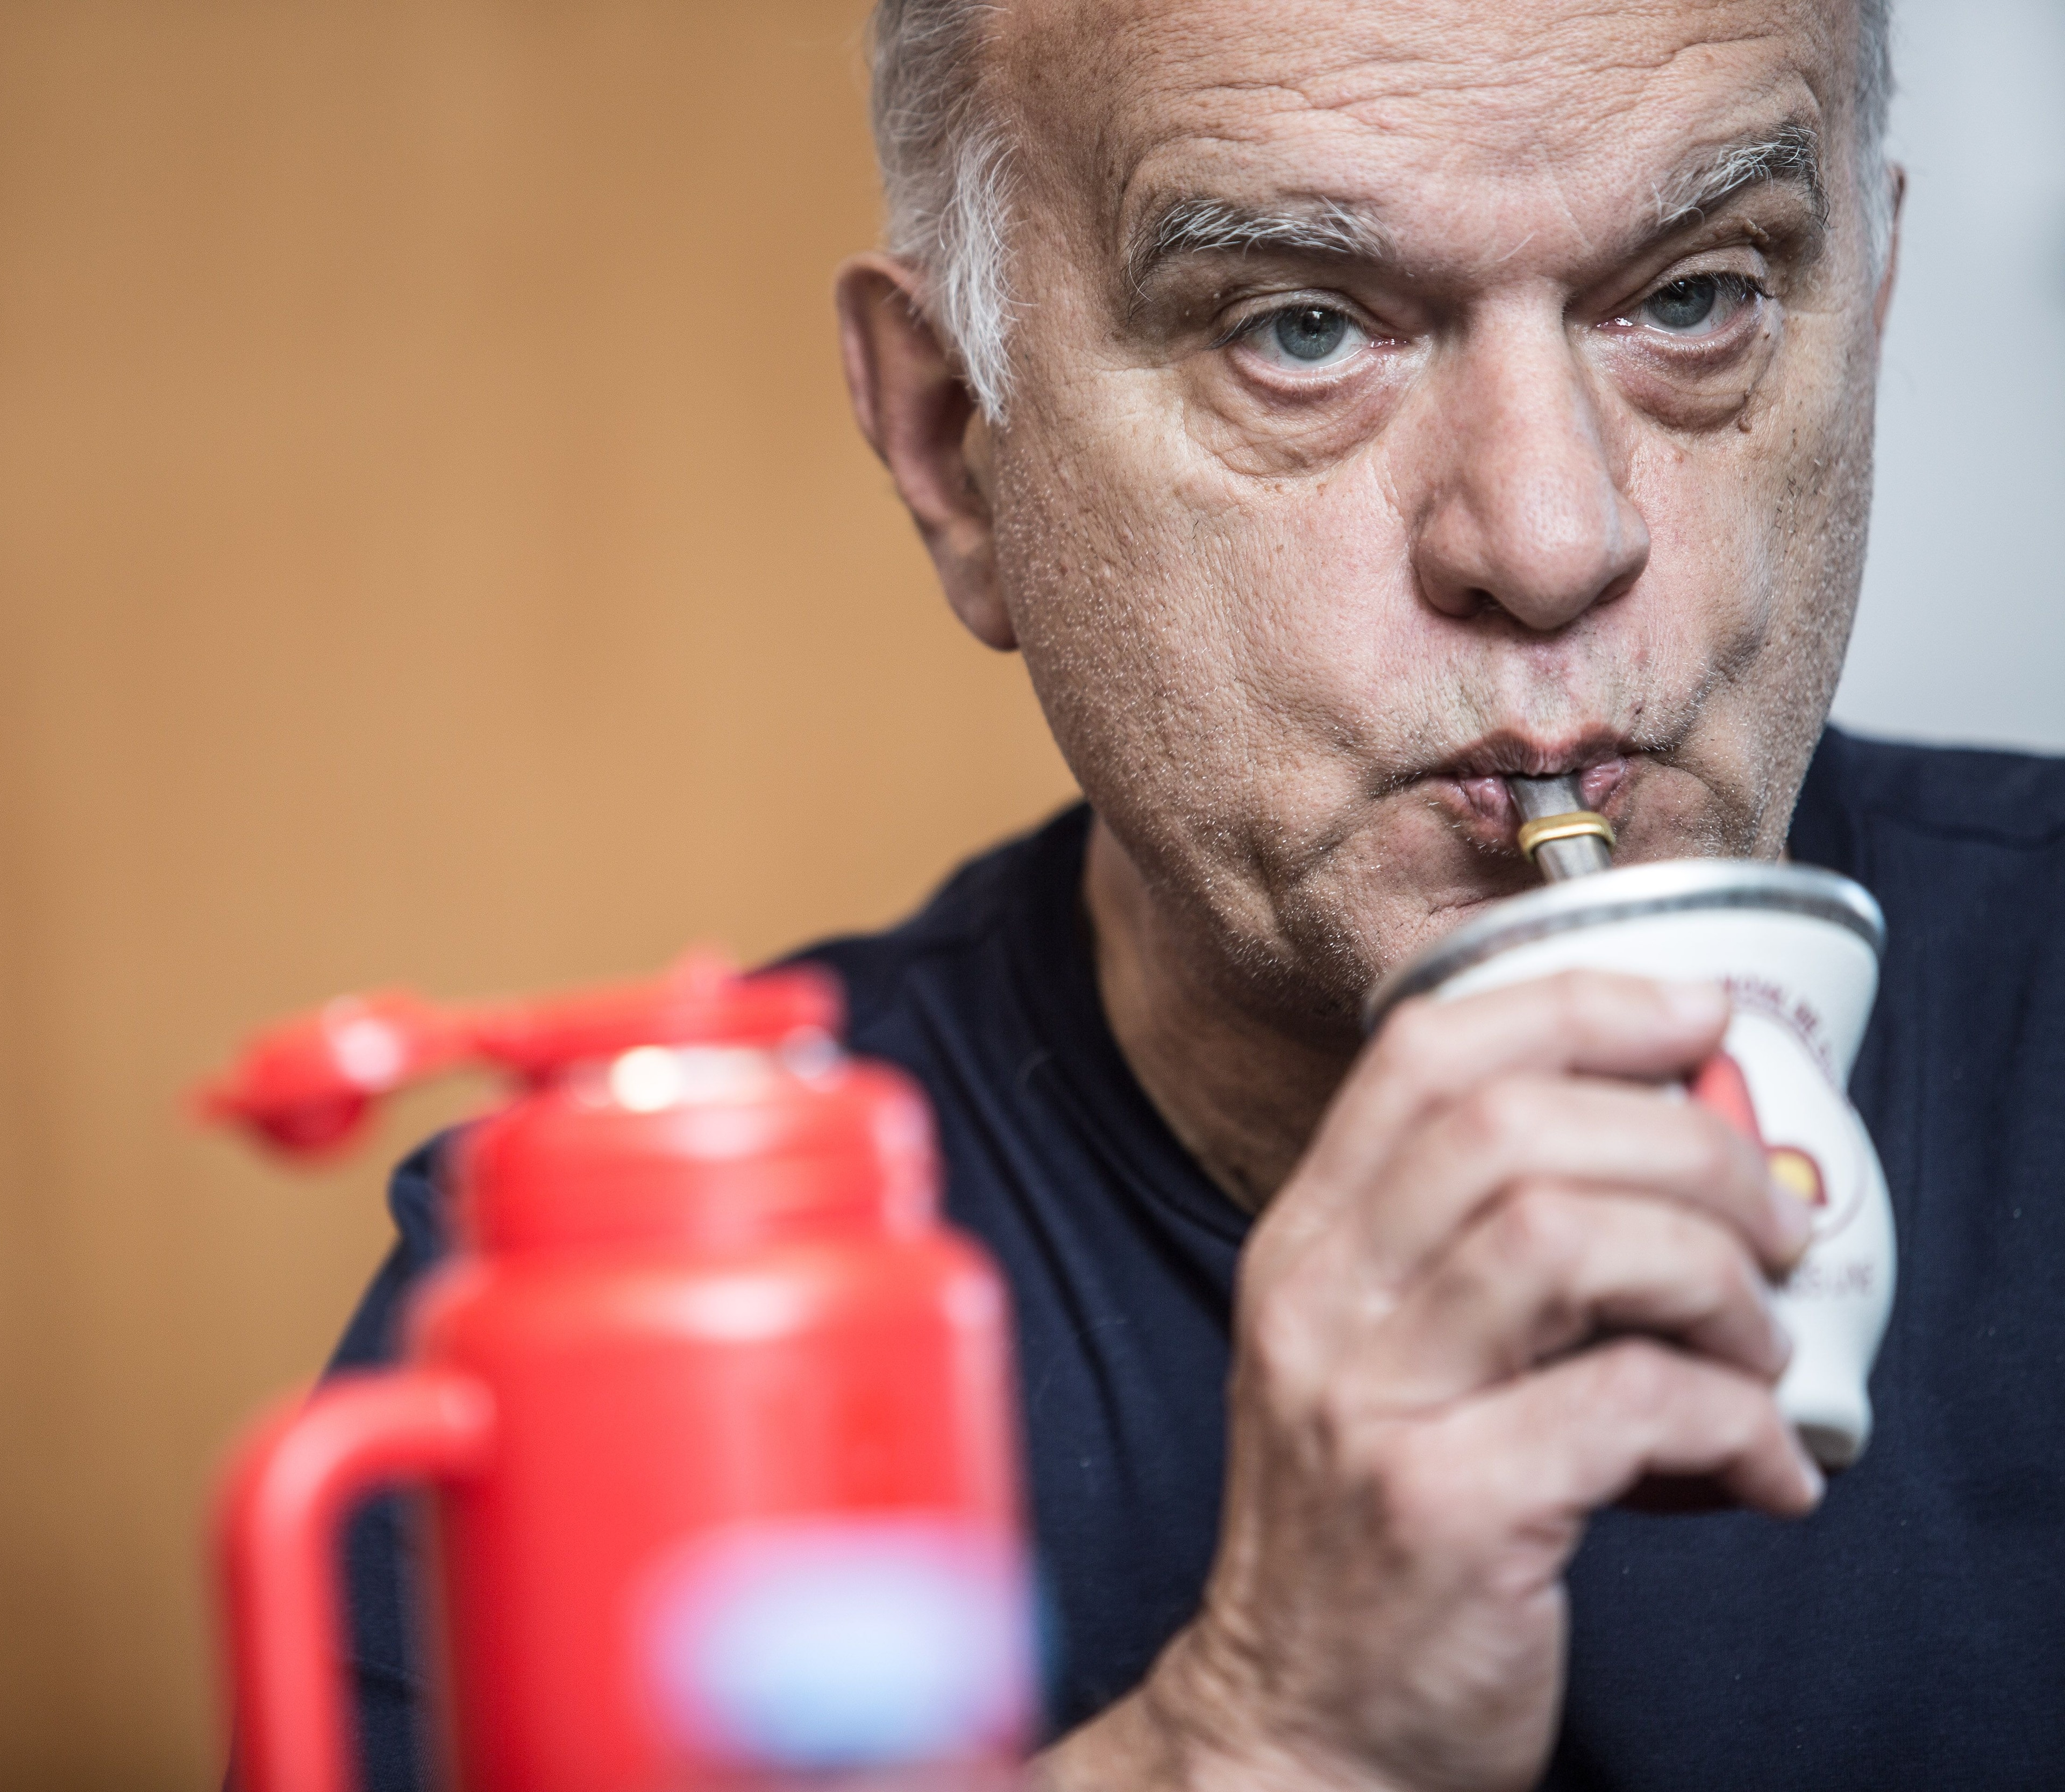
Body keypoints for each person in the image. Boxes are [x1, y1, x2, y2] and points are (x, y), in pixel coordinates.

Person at [322, 0, 2065, 1785]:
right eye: (1301, 329)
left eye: (1696, 299)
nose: (1552, 542)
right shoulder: (611, 1309)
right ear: (953, 444)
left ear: (1871, 308)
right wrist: (1254, 1736)